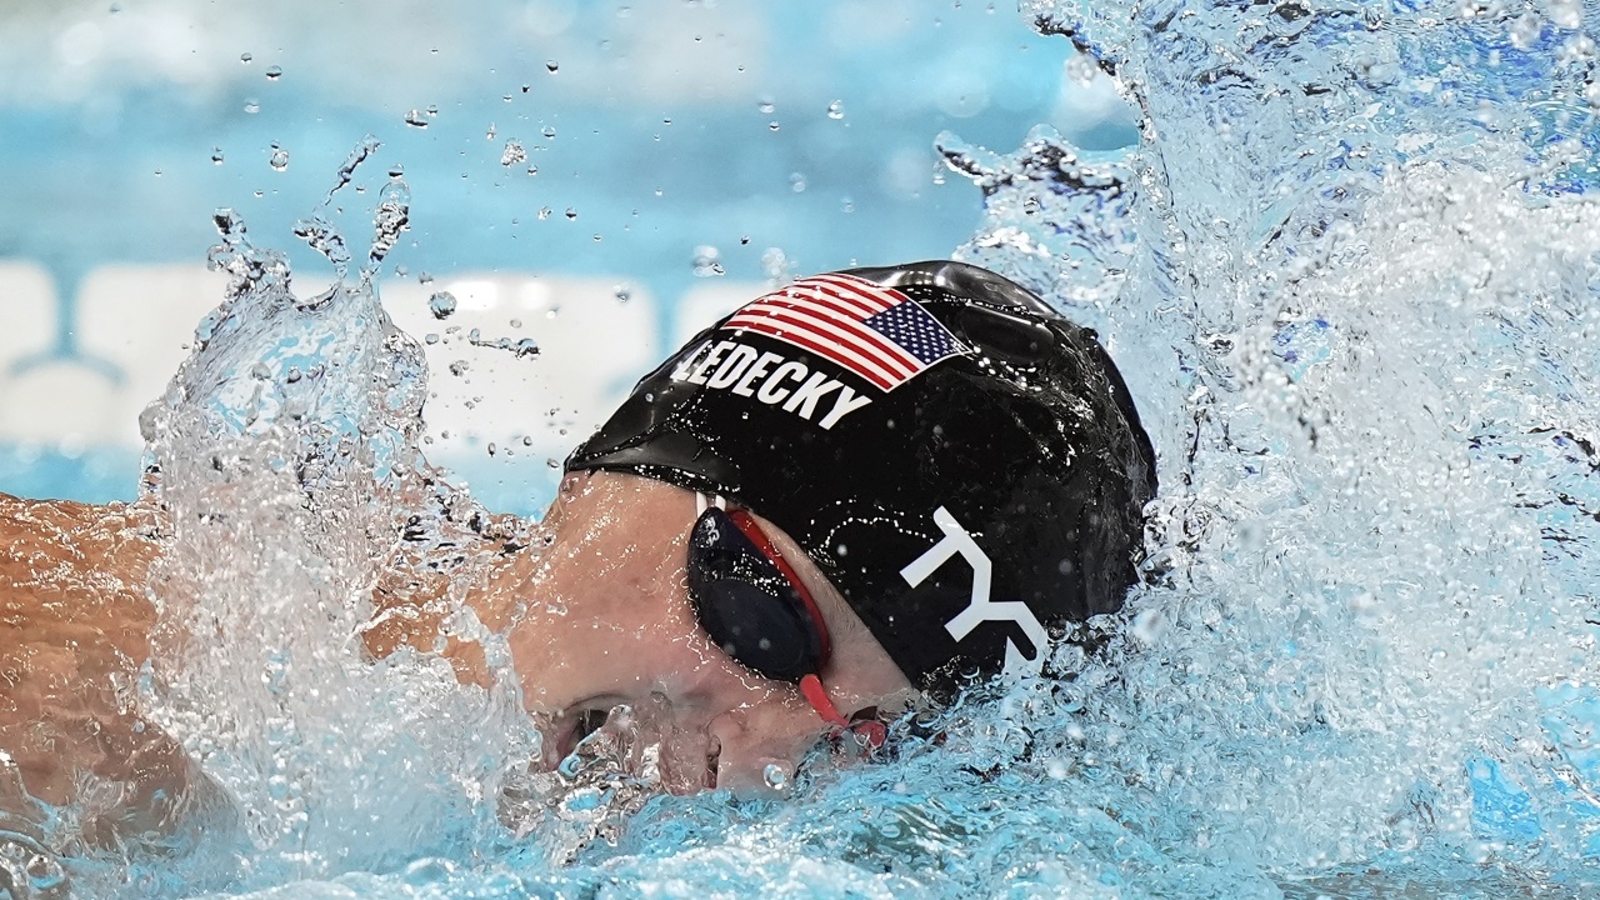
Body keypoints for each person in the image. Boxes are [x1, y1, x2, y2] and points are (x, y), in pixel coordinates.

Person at [0, 260, 1156, 839]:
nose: (747, 759)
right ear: (624, 476)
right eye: (761, 617)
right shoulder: (88, 707)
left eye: (858, 736)